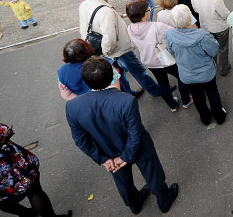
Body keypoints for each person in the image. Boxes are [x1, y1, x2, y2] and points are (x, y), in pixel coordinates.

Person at [65, 57, 179, 214]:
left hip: (108, 152)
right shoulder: (126, 101)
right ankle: (164, 200)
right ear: (112, 76)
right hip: (138, 148)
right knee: (153, 174)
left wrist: (104, 159)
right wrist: (126, 157)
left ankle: (135, 204)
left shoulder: (72, 107)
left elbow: (80, 140)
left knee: (124, 183)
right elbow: (135, 133)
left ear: (85, 81)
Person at [79, 0, 161, 98]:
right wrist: (107, 52)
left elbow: (84, 28)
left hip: (102, 50)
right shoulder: (105, 11)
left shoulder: (85, 4)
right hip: (119, 51)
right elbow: (110, 37)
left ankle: (128, 94)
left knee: (119, 75)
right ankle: (155, 91)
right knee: (139, 72)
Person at [0, 123, 72, 217]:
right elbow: (3, 131)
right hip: (12, 168)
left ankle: (31, 215)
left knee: (8, 205)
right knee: (34, 193)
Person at [166, 5, 227, 125]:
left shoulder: (170, 34)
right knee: (212, 93)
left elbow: (171, 51)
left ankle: (205, 119)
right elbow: (213, 50)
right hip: (206, 73)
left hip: (187, 74)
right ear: (190, 18)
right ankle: (219, 116)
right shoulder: (202, 35)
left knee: (197, 96)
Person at [126, 0, 189, 112]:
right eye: (148, 9)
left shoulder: (130, 29)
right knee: (181, 77)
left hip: (150, 62)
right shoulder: (158, 26)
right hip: (166, 60)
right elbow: (175, 33)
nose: (150, 10)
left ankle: (172, 105)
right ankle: (186, 100)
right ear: (143, 14)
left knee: (162, 83)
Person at [191, 0, 231, 76]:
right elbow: (225, 14)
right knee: (223, 49)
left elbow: (196, 9)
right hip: (220, 28)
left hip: (206, 27)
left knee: (211, 49)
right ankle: (224, 69)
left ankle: (213, 66)